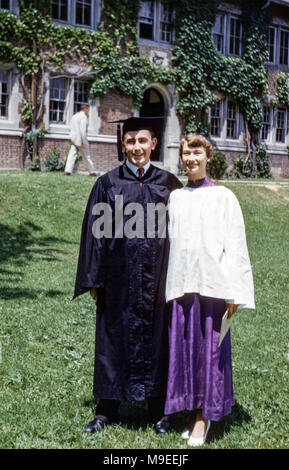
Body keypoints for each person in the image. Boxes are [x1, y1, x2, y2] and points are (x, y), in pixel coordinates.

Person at [73, 116, 182, 434]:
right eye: (131, 141)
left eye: (142, 141)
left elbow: (184, 234)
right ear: (124, 144)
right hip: (118, 278)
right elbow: (94, 234)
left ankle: (158, 411)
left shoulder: (169, 183)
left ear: (153, 144)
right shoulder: (108, 183)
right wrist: (94, 278)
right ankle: (107, 409)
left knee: (159, 339)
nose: (137, 147)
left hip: (157, 279)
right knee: (113, 337)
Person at [164, 133, 255, 446]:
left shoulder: (223, 197)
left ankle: (205, 416)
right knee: (186, 352)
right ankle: (191, 410)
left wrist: (236, 294)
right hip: (182, 287)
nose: (191, 159)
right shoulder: (176, 197)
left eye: (197, 153)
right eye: (187, 153)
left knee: (208, 353)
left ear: (208, 157)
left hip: (213, 289)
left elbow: (236, 246)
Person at [64, 104, 98, 176]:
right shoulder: (83, 117)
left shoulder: (74, 116)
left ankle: (67, 171)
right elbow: (83, 130)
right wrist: (83, 141)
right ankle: (92, 172)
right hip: (80, 140)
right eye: (88, 109)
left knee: (72, 155)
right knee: (86, 156)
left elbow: (71, 128)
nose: (88, 111)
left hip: (73, 139)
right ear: (85, 109)